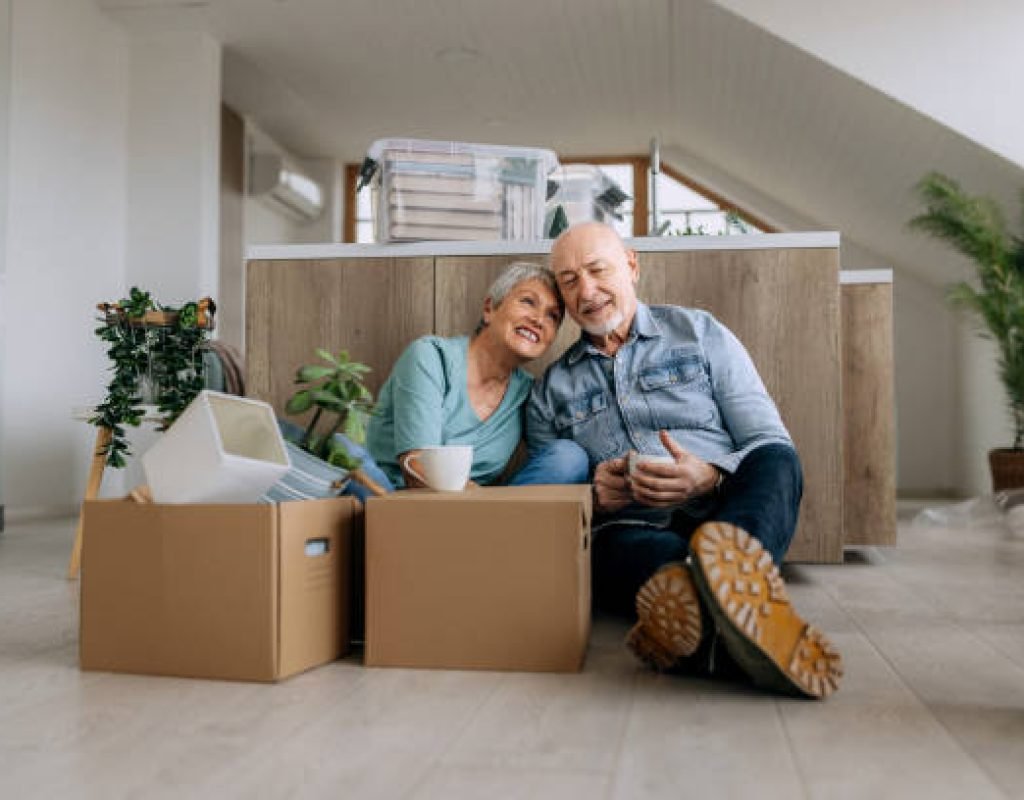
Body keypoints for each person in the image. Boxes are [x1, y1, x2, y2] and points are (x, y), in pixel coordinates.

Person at [526, 222, 843, 699]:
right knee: (608, 553)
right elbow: (553, 512)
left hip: (727, 508)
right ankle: (747, 620)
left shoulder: (699, 332)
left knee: (777, 460)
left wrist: (709, 476)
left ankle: (708, 621)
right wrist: (597, 497)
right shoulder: (549, 392)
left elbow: (764, 435)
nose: (586, 291)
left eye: (597, 270)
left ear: (631, 266)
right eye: (569, 281)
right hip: (632, 529)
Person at [367, 261, 589, 489]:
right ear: (489, 308)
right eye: (528, 302)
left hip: (482, 514)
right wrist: (482, 508)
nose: (538, 320)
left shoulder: (530, 395)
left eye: (553, 316)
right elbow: (418, 472)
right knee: (349, 455)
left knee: (569, 458)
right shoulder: (431, 357)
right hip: (395, 504)